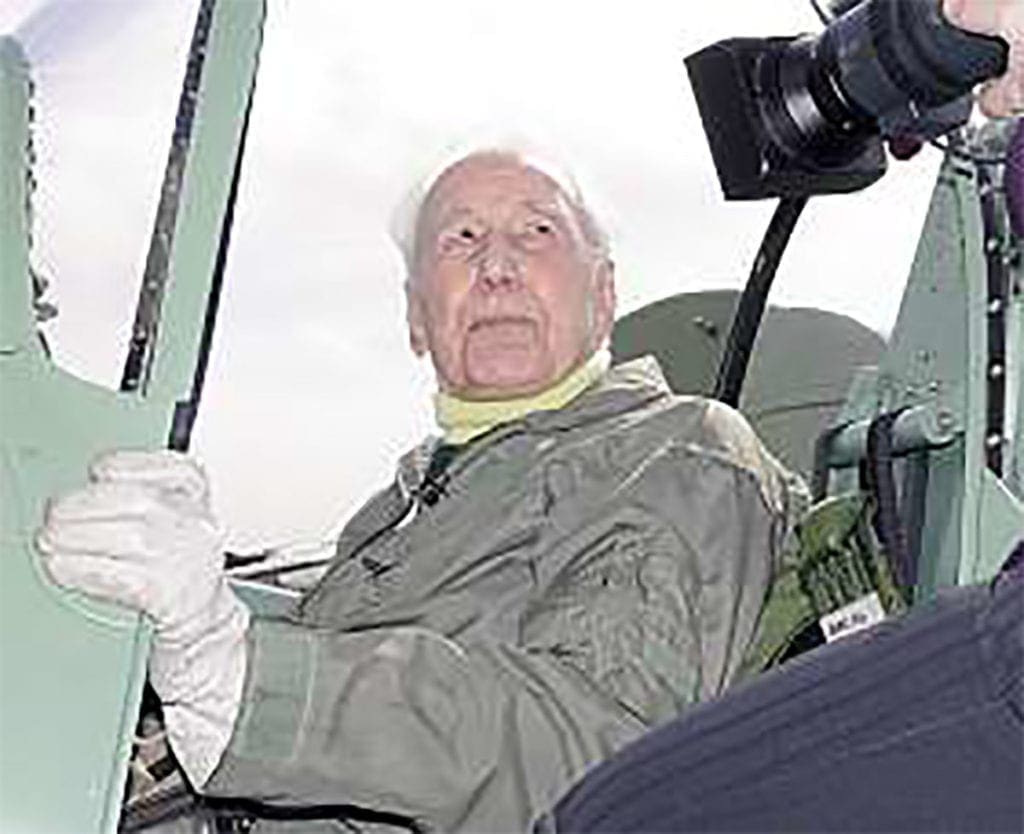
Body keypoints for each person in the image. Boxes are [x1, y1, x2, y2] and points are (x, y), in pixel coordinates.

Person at [36, 148, 806, 832]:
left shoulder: (678, 451)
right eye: (459, 239)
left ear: (603, 296)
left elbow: (599, 746)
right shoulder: (403, 506)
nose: (497, 266)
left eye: (537, 233)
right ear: (416, 318)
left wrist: (235, 670)